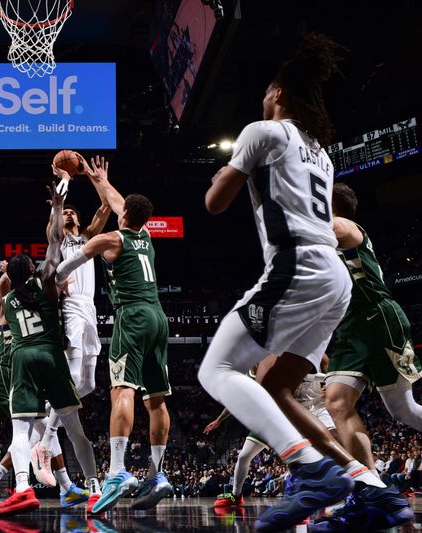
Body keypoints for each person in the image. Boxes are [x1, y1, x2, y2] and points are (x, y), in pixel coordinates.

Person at [196, 33, 360, 531]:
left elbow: (214, 203)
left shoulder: (263, 132)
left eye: (266, 95)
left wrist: (229, 168)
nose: (262, 102)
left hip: (297, 267)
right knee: (278, 386)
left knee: (216, 370)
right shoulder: (322, 154)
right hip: (334, 277)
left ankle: (310, 469)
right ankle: (364, 484)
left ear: (280, 96)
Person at [55, 157, 172, 514]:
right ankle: (158, 472)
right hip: (158, 317)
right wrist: (99, 180)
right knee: (156, 399)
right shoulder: (145, 234)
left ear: (123, 218)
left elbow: (66, 266)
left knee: (122, 390)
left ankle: (118, 470)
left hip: (132, 317)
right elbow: (122, 203)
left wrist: (52, 277)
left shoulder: (109, 239)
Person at [0, 181, 100, 517]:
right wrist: (57, 205)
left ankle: (23, 487)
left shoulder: (6, 299)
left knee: (20, 429)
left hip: (23, 358)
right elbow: (54, 244)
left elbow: (7, 280)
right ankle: (94, 488)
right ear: (34, 271)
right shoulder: (48, 284)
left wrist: (6, 272)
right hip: (52, 357)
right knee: (76, 430)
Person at [311, 182, 417, 530]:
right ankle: (371, 487)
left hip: (377, 318)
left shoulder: (344, 227)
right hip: (349, 329)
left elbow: (329, 229)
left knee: (402, 411)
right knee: (337, 403)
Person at [0, 265, 89, 510]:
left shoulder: (22, 305)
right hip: (3, 371)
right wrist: (8, 271)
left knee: (42, 431)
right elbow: (3, 285)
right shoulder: (8, 306)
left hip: (16, 371)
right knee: (41, 430)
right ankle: (63, 487)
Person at [34, 161, 111, 499]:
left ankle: (50, 427)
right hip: (70, 311)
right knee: (74, 375)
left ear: (80, 221)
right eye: (66, 215)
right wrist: (63, 188)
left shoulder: (90, 237)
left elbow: (107, 207)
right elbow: (56, 211)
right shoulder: (57, 241)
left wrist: (99, 181)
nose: (68, 217)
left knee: (90, 383)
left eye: (72, 215)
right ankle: (47, 440)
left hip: (91, 310)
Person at [207, 355, 338, 507]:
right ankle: (236, 495)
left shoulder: (280, 359)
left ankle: (303, 495)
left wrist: (330, 384)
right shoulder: (248, 376)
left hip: (296, 412)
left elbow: (317, 369)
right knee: (244, 456)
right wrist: (219, 420)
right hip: (269, 419)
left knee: (301, 455)